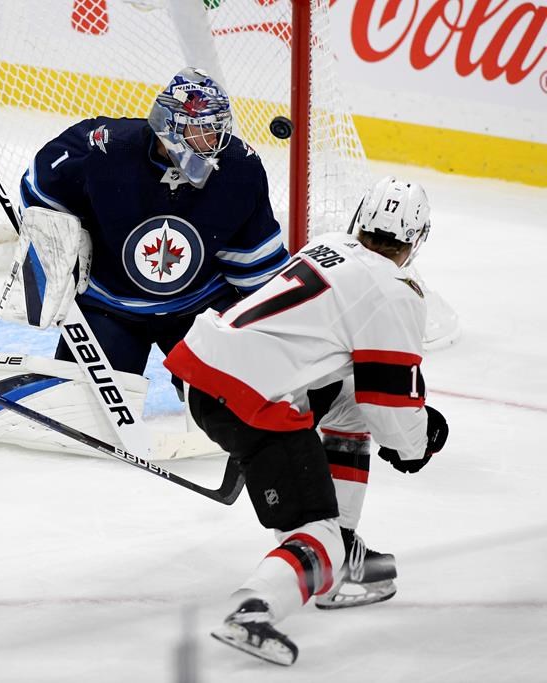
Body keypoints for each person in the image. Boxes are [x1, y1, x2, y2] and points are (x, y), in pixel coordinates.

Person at [163, 176, 450, 665]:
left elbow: (363, 401)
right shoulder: (395, 290)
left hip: (197, 365)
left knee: (348, 407)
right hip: (249, 400)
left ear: (360, 220)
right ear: (417, 240)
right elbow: (390, 405)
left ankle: (344, 548)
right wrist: (418, 441)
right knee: (316, 534)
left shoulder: (329, 246)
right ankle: (256, 607)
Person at [18, 66, 290, 390]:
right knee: (79, 409)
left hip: (200, 309)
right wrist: (56, 250)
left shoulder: (238, 170)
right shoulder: (105, 150)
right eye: (203, 129)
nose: (215, 140)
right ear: (169, 127)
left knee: (234, 409)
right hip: (110, 305)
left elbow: (257, 272)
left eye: (218, 129)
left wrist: (277, 336)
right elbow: (40, 191)